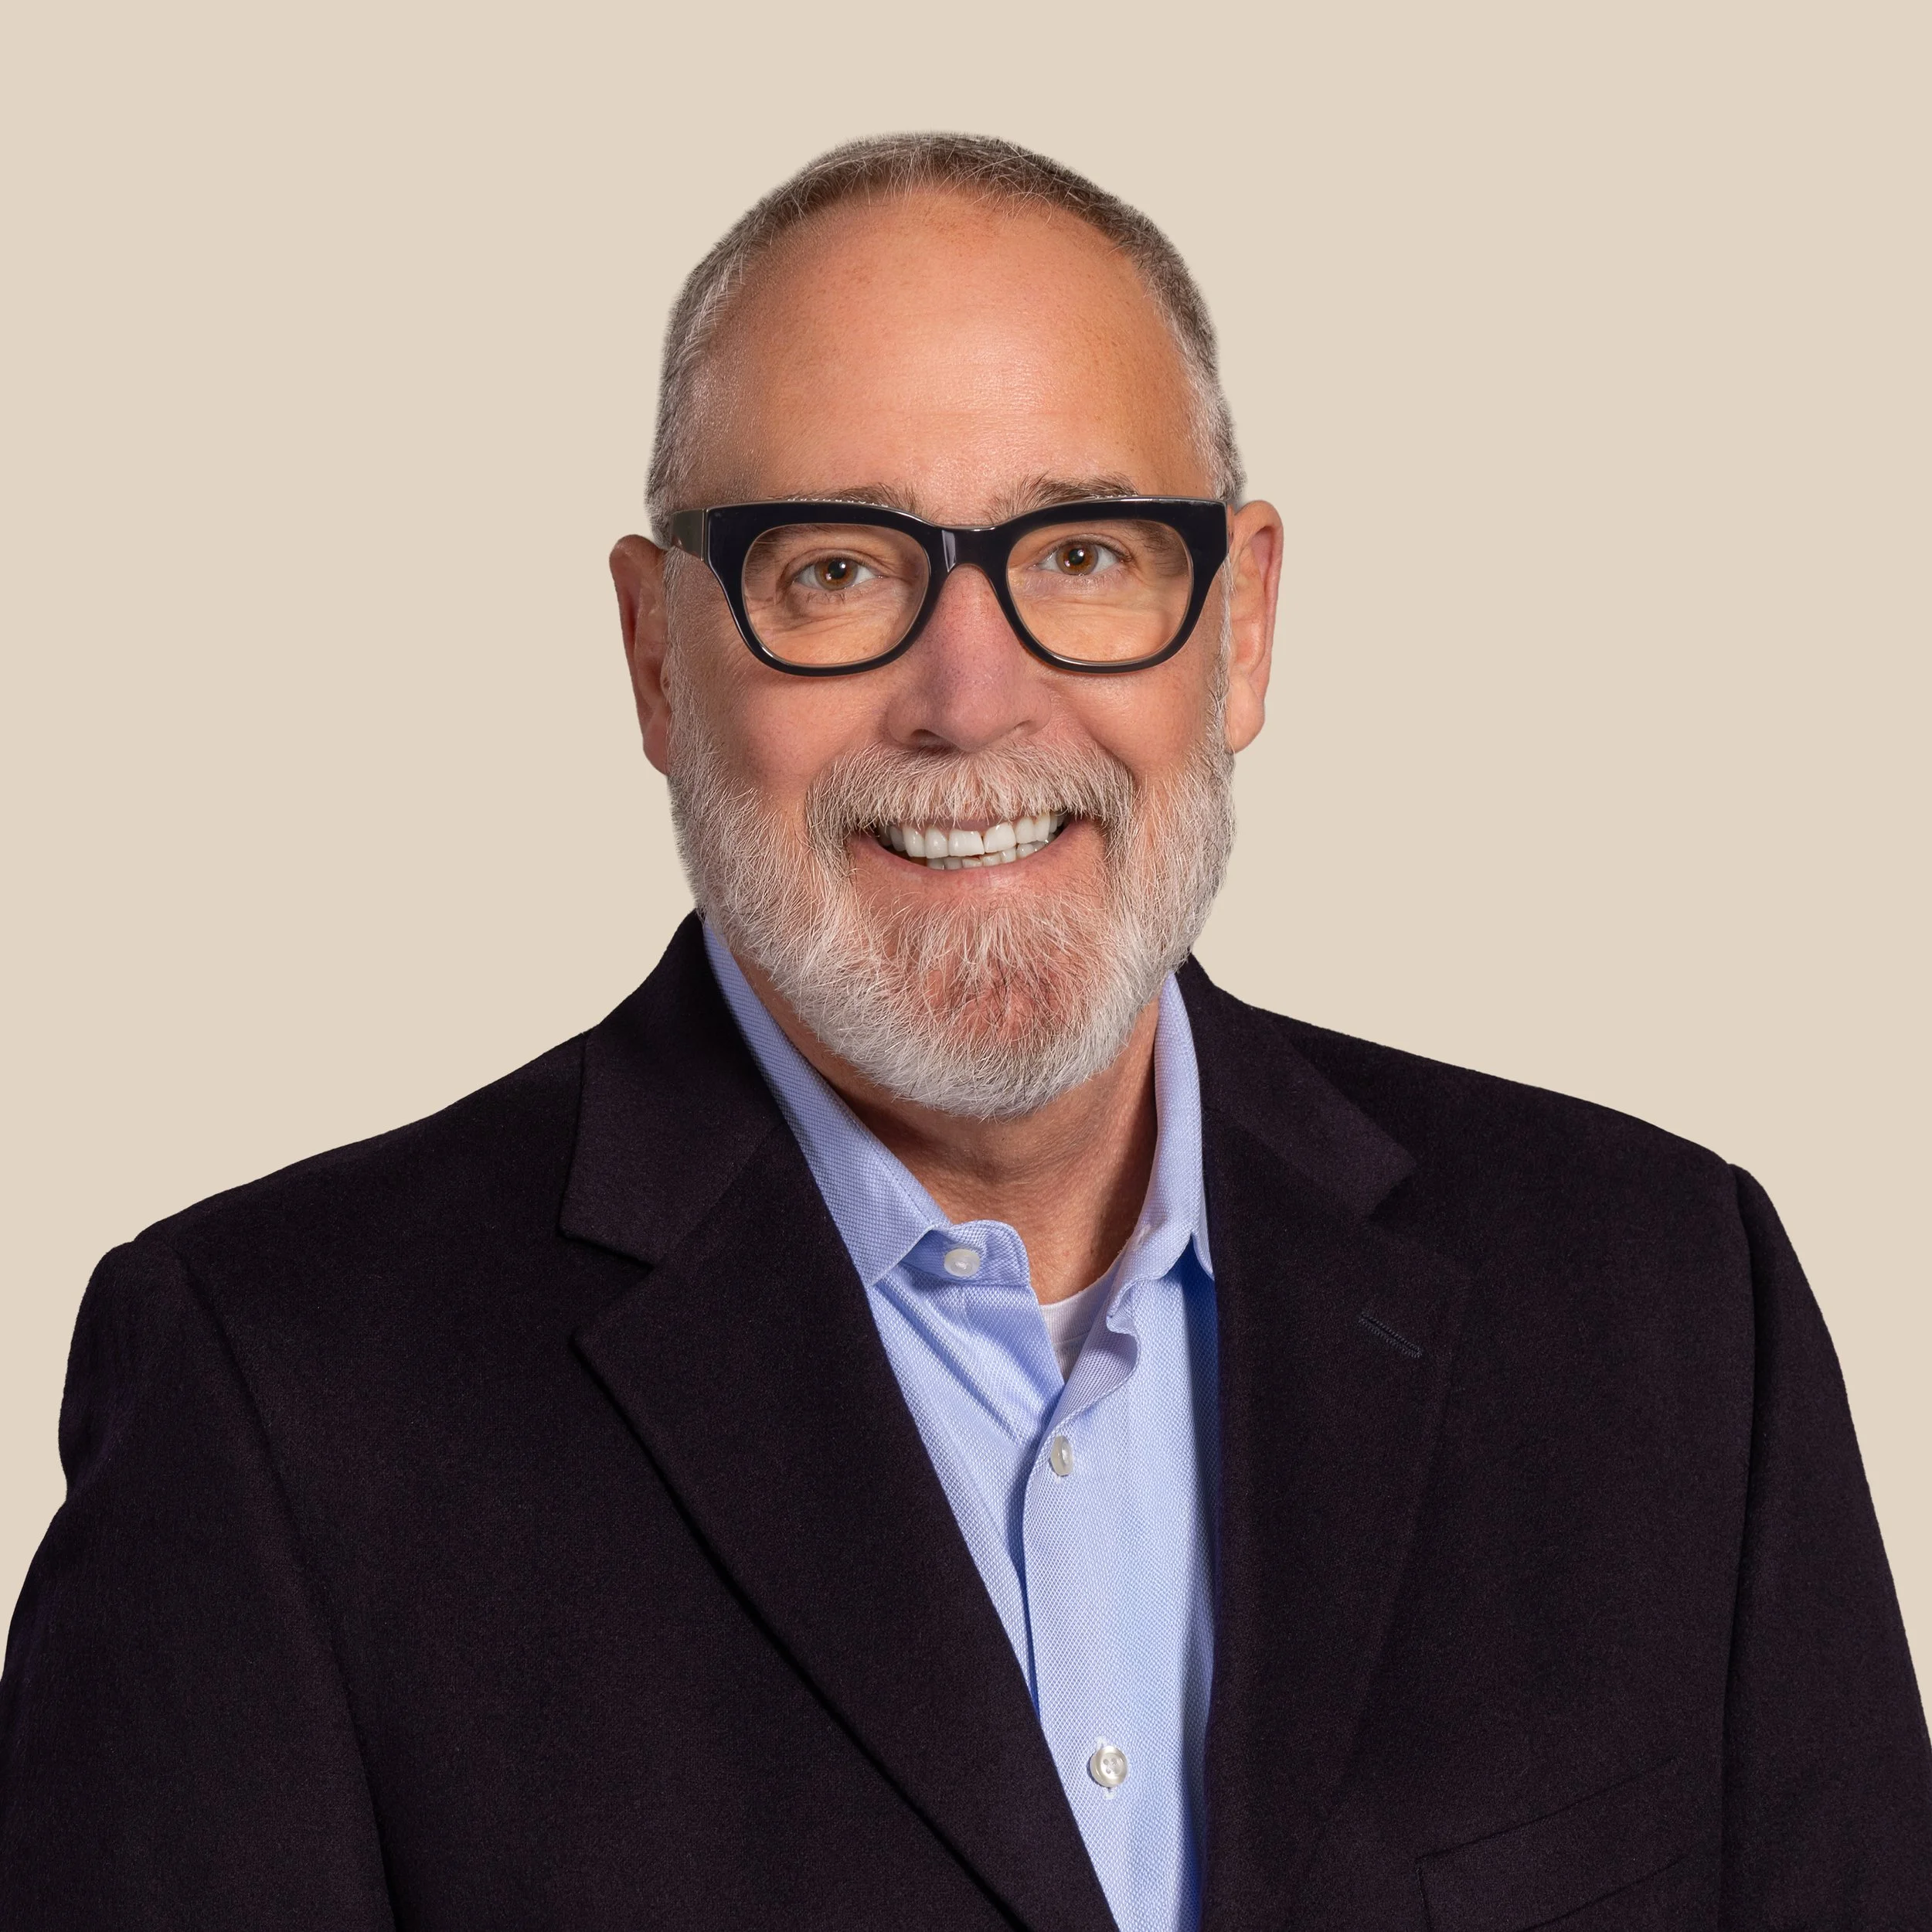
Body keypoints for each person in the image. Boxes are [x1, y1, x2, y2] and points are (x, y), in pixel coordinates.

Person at [2, 132, 1927, 1932]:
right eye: (835, 568)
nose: (969, 693)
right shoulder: (274, 1398)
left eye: (1082, 551)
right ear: (656, 656)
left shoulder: (1669, 1302)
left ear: (1241, 625)